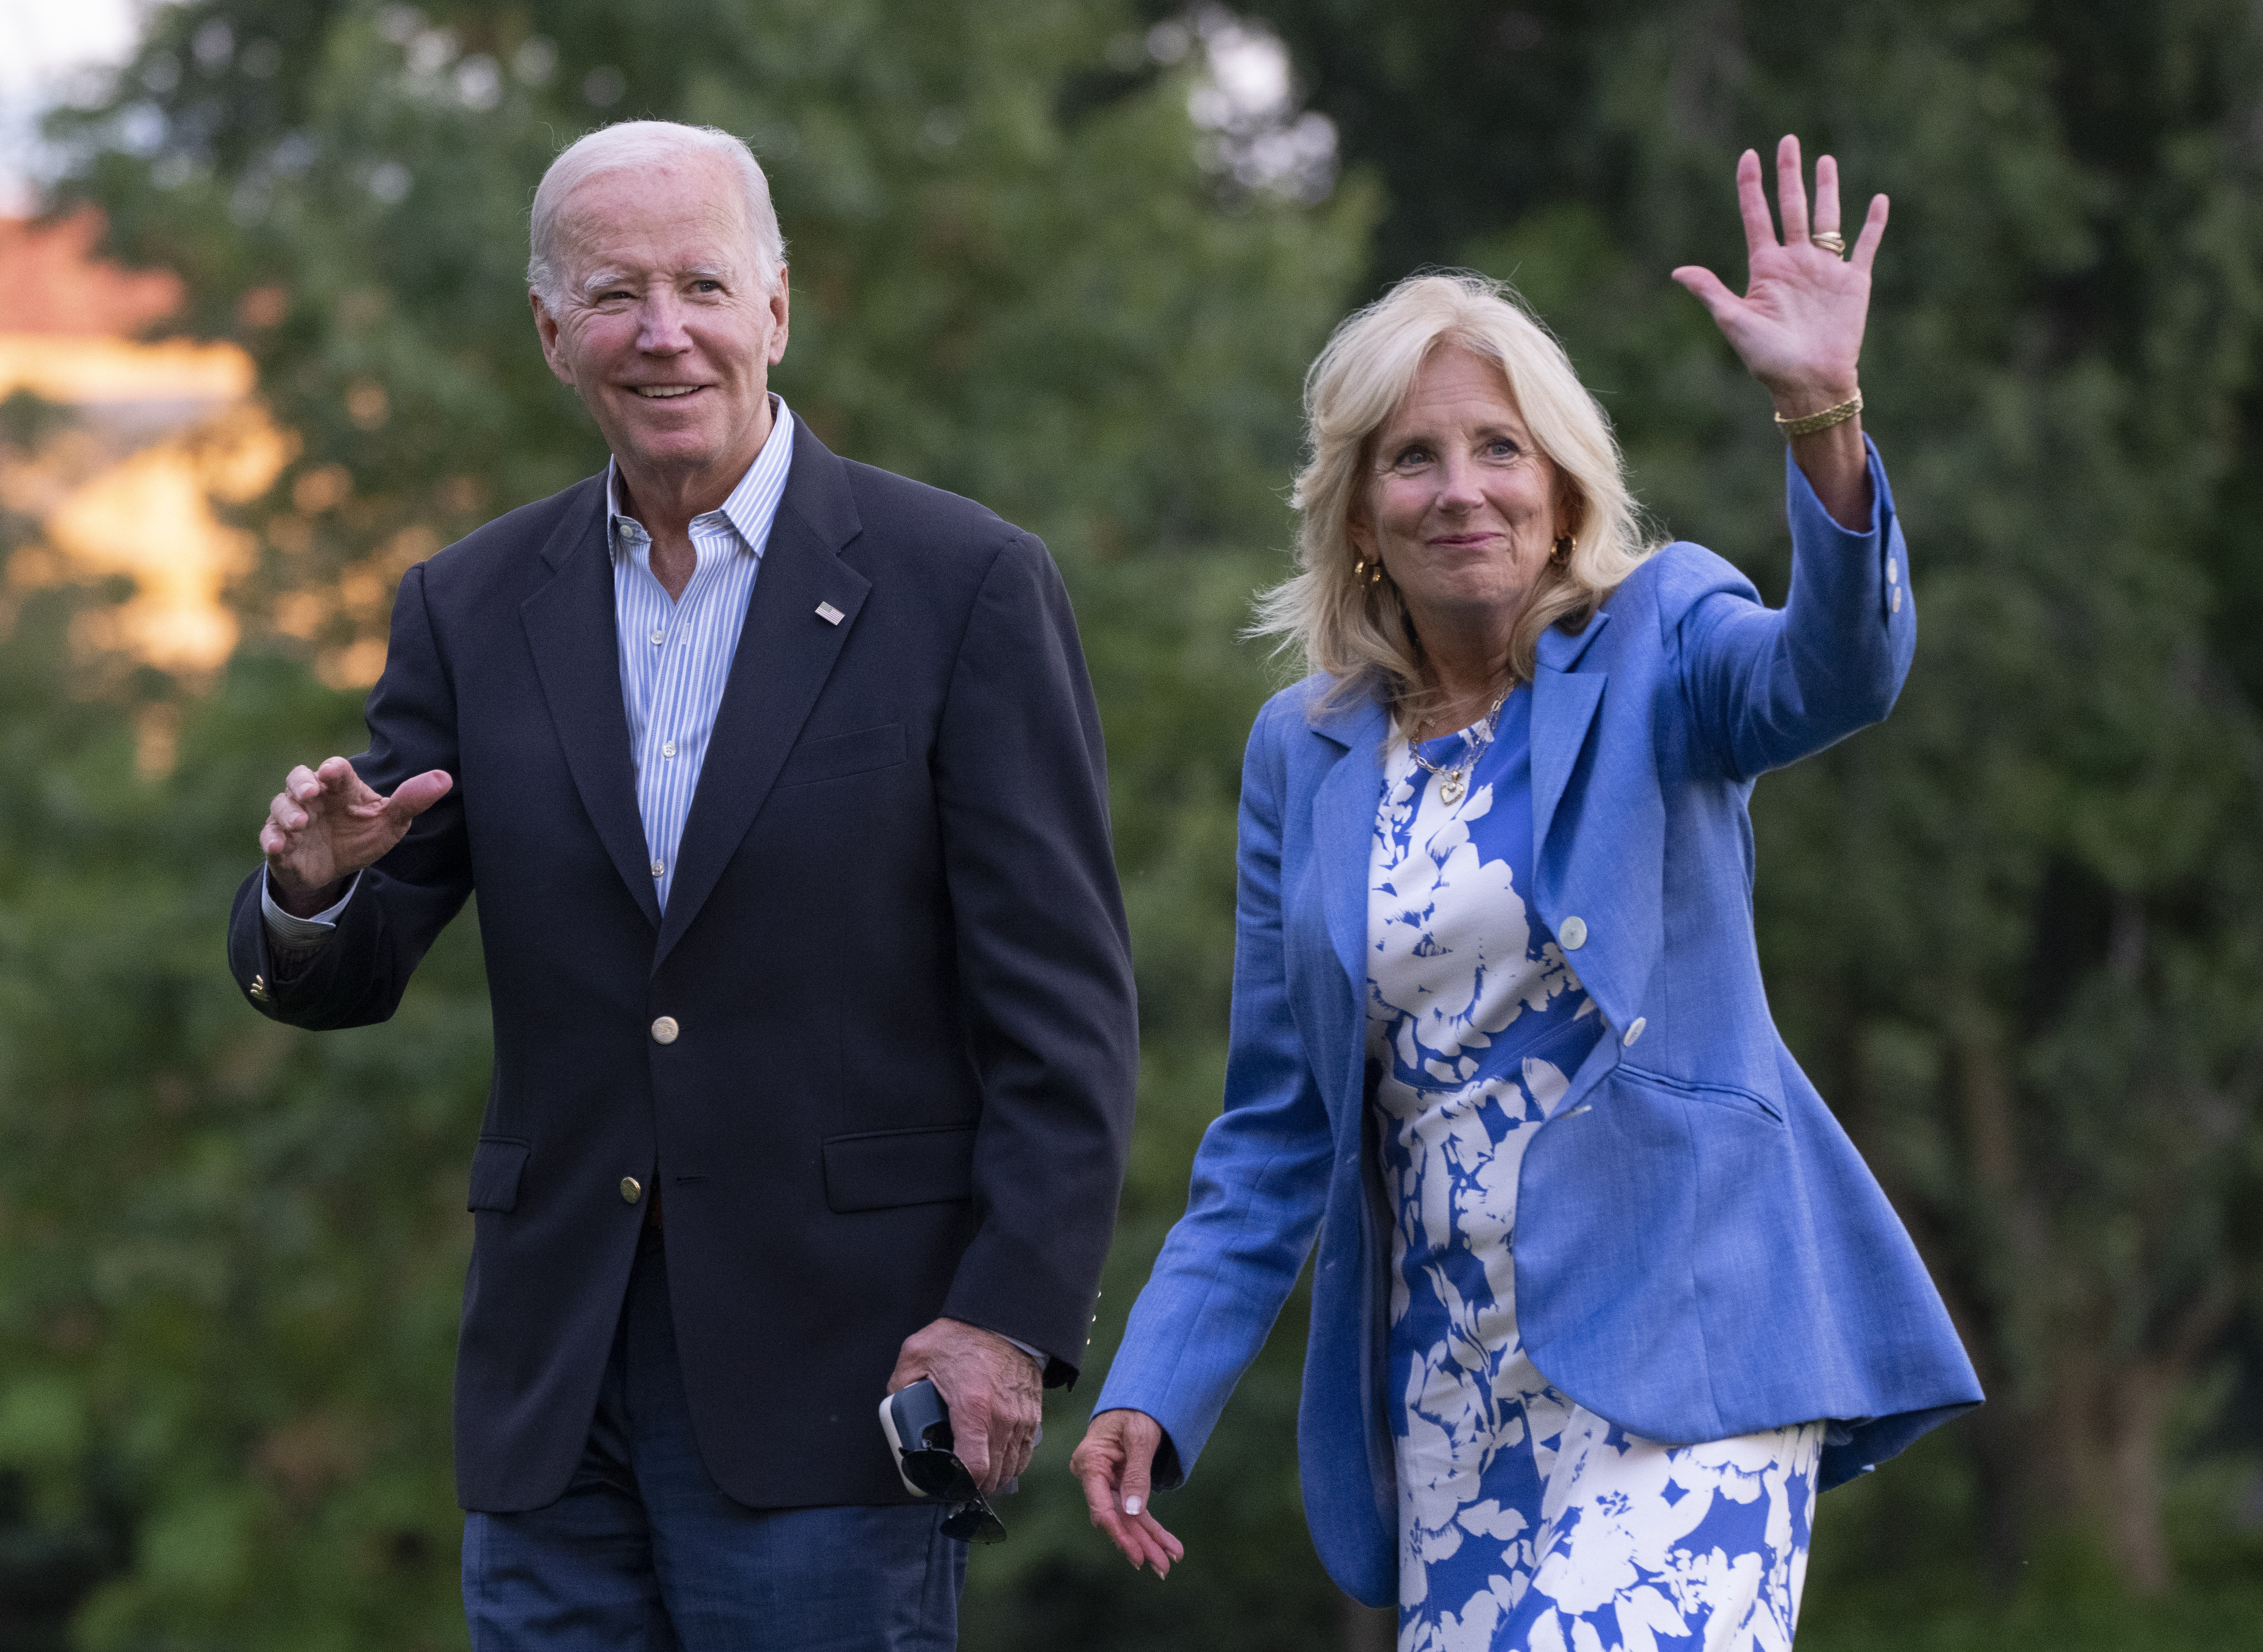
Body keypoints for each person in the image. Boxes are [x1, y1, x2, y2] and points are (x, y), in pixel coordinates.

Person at [228, 119, 1138, 1649]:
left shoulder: (962, 584)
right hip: (552, 1386)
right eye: (611, 294)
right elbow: (354, 965)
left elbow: (1067, 1015)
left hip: (842, 1378)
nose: (663, 332)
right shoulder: (465, 604)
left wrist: (1008, 1317)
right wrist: (311, 895)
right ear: (548, 334)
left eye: (701, 285)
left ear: (775, 308)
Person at [1071, 138, 1982, 1650]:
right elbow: (1276, 1127)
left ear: (1560, 486)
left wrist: (1820, 416)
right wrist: (1154, 1384)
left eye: (1497, 448)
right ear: (1356, 508)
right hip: (1453, 1382)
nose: (1458, 489)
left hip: (1690, 1342)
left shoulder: (1659, 638)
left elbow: (1837, 673)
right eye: (1410, 457)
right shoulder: (1301, 754)